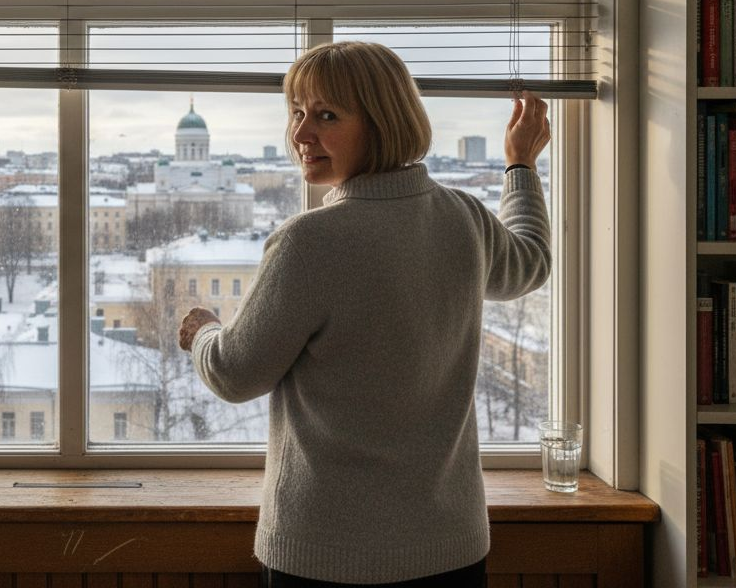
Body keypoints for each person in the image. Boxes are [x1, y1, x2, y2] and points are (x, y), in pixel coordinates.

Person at [177, 40, 552, 588]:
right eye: (297, 112)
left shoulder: (310, 242)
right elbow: (532, 262)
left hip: (326, 555)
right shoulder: (463, 218)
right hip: (451, 549)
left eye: (327, 115)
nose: (301, 134)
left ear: (382, 122)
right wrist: (520, 166)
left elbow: (235, 374)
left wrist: (203, 332)